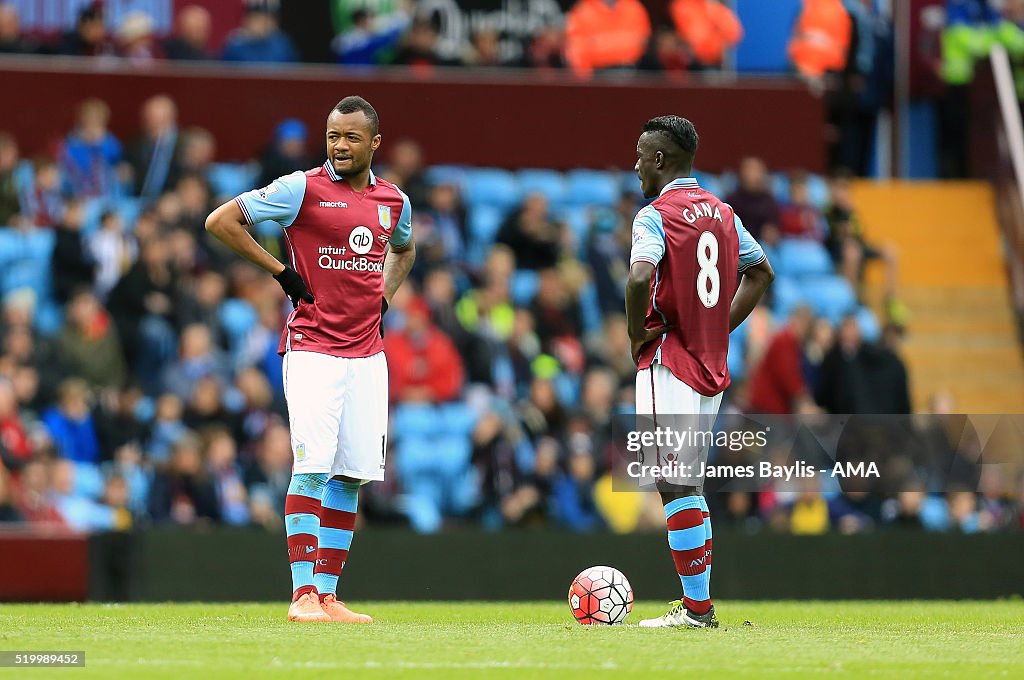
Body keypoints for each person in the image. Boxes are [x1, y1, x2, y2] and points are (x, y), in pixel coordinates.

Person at [205, 96, 416, 624]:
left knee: (351, 477)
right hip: (314, 350)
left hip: (368, 355)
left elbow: (406, 250)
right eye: (332, 136)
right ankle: (301, 595)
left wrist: (384, 297)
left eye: (349, 138)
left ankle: (326, 594)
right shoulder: (300, 188)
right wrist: (280, 272)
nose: (339, 146)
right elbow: (221, 221)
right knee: (313, 468)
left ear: (374, 143)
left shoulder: (394, 202)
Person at [626, 116, 773, 628]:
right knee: (687, 483)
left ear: (661, 160)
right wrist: (716, 328)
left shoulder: (654, 216)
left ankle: (697, 611)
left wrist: (634, 333)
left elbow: (641, 275)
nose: (636, 164)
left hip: (668, 361)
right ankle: (698, 608)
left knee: (674, 484)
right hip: (709, 365)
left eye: (641, 155)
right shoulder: (724, 213)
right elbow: (760, 272)